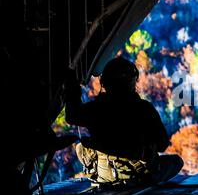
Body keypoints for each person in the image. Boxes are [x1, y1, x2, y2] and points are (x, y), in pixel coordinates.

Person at [65, 57, 183, 186]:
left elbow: (72, 116)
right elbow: (162, 144)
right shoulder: (144, 108)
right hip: (138, 178)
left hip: (104, 177)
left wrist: (72, 90)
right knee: (176, 161)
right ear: (132, 82)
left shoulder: (95, 109)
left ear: (104, 83)